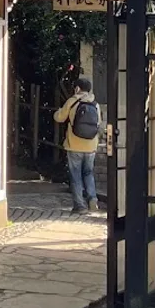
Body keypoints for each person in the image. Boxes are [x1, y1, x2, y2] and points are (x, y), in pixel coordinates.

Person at [54, 75, 101, 214]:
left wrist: (57, 112)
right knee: (88, 173)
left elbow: (60, 117)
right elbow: (98, 124)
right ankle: (93, 199)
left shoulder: (72, 101)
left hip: (74, 144)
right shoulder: (95, 104)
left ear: (77, 88)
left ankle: (80, 206)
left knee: (76, 175)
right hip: (91, 145)